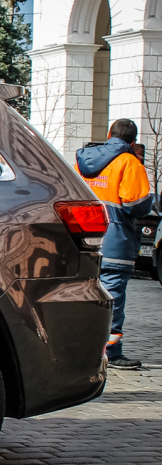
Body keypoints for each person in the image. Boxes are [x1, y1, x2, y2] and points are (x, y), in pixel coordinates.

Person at [77, 119, 154, 369]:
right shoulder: (130, 163)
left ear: (109, 134)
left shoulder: (83, 159)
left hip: (81, 238)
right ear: (132, 142)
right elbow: (136, 204)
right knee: (112, 297)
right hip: (115, 240)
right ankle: (111, 351)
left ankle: (78, 347)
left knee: (80, 293)